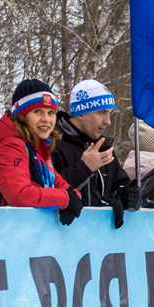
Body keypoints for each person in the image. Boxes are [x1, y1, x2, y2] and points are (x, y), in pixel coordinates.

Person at [0, 79, 82, 226]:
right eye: (38, 112)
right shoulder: (10, 146)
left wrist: (73, 196)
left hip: (24, 235)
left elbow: (60, 184)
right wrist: (66, 199)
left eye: (51, 113)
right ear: (22, 116)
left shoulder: (37, 148)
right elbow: (20, 195)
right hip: (0, 234)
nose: (46, 119)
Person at [52, 80, 130, 228]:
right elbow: (45, 189)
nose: (108, 122)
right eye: (101, 112)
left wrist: (126, 195)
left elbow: (118, 184)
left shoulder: (103, 146)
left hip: (99, 242)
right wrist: (83, 168)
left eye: (109, 113)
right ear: (81, 112)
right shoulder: (53, 144)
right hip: (60, 239)